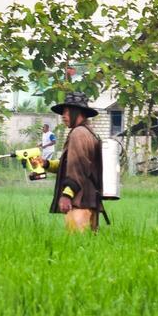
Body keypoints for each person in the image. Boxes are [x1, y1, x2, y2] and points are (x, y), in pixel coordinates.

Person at [47, 91, 105, 233]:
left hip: (80, 202)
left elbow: (77, 168)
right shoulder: (89, 132)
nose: (63, 116)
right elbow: (67, 165)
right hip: (90, 200)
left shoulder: (78, 133)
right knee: (89, 248)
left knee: (76, 246)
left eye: (66, 112)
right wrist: (46, 164)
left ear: (77, 112)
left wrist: (67, 195)